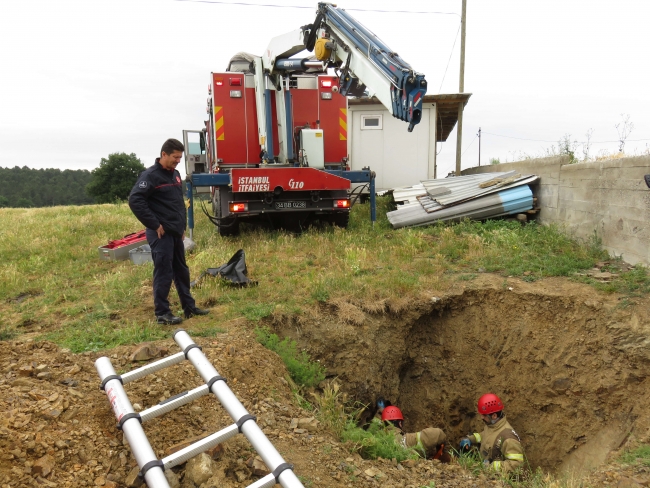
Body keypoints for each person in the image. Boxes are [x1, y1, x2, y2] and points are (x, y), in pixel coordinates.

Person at [128, 138, 209, 325]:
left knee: (182, 271)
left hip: (175, 233)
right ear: (163, 154)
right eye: (175, 157)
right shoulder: (150, 176)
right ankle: (162, 313)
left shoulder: (176, 174)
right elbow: (135, 201)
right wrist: (155, 224)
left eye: (180, 157)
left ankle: (189, 307)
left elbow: (178, 203)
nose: (178, 160)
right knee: (163, 272)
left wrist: (181, 227)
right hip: (160, 234)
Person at [459, 393, 524, 474]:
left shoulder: (508, 437)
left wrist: (492, 467)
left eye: (484, 415)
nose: (481, 417)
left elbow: (517, 464)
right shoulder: (492, 426)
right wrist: (470, 439)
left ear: (494, 416)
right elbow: (484, 436)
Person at [381, 406, 448, 461]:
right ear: (400, 423)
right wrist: (442, 448)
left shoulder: (378, 442)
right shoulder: (410, 440)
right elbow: (437, 433)